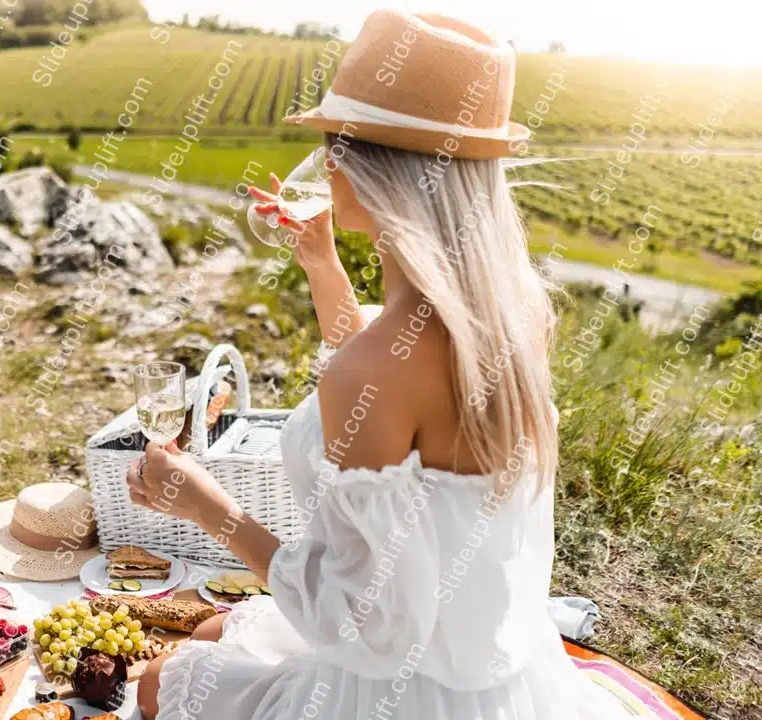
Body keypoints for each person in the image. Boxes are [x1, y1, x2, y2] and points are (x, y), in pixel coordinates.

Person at [127, 10, 628, 719]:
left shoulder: (371, 371)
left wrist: (205, 505)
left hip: (392, 685)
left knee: (158, 681)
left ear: (364, 168)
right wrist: (323, 265)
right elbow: (401, 386)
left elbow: (364, 627)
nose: (324, 163)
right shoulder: (509, 312)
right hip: (491, 661)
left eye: (334, 143)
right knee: (213, 630)